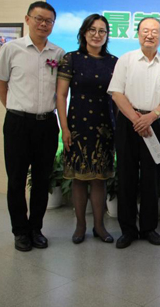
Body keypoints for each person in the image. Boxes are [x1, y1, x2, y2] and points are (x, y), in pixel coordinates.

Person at [0, 1, 64, 251]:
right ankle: (20, 231)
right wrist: (14, 109)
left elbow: (61, 91)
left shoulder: (58, 53)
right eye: (39, 19)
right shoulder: (11, 49)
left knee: (42, 180)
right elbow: (0, 83)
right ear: (27, 19)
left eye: (49, 21)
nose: (43, 24)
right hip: (18, 124)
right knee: (16, 180)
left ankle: (36, 229)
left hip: (47, 124)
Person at [108, 17, 160, 249]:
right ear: (138, 33)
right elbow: (116, 93)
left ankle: (149, 228)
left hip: (154, 123)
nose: (150, 35)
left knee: (152, 178)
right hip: (128, 123)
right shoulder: (126, 60)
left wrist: (151, 117)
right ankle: (128, 230)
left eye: (155, 31)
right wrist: (136, 119)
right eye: (145, 30)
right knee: (126, 176)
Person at [56, 14, 117, 244]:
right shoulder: (71, 59)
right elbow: (61, 95)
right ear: (83, 32)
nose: (97, 35)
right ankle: (80, 226)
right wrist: (64, 127)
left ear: (107, 35)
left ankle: (99, 227)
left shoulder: (114, 62)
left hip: (104, 127)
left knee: (100, 179)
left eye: (102, 31)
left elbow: (118, 97)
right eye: (92, 30)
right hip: (78, 126)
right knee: (79, 178)